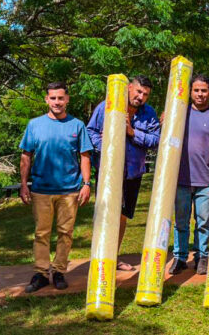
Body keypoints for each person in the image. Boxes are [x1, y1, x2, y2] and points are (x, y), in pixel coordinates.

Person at [19, 82, 93, 293]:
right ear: (46, 100)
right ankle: (41, 273)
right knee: (41, 233)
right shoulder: (34, 125)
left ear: (67, 100)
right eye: (53, 98)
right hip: (41, 189)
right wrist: (24, 185)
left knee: (65, 232)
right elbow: (26, 156)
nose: (57, 102)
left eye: (61, 98)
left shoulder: (77, 125)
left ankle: (59, 270)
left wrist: (86, 184)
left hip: (69, 190)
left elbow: (84, 156)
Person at [87, 75, 160, 271]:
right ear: (129, 88)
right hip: (109, 172)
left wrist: (132, 132)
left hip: (132, 173)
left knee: (122, 216)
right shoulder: (106, 106)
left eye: (145, 94)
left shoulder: (149, 113)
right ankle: (100, 258)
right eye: (138, 91)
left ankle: (114, 257)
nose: (141, 97)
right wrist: (108, 144)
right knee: (105, 214)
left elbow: (156, 140)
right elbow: (91, 132)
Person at [169, 74, 209, 275]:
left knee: (203, 222)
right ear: (190, 92)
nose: (200, 94)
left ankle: (202, 256)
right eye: (196, 90)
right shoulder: (179, 114)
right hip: (181, 179)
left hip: (205, 181)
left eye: (204, 90)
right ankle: (180, 257)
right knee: (181, 221)